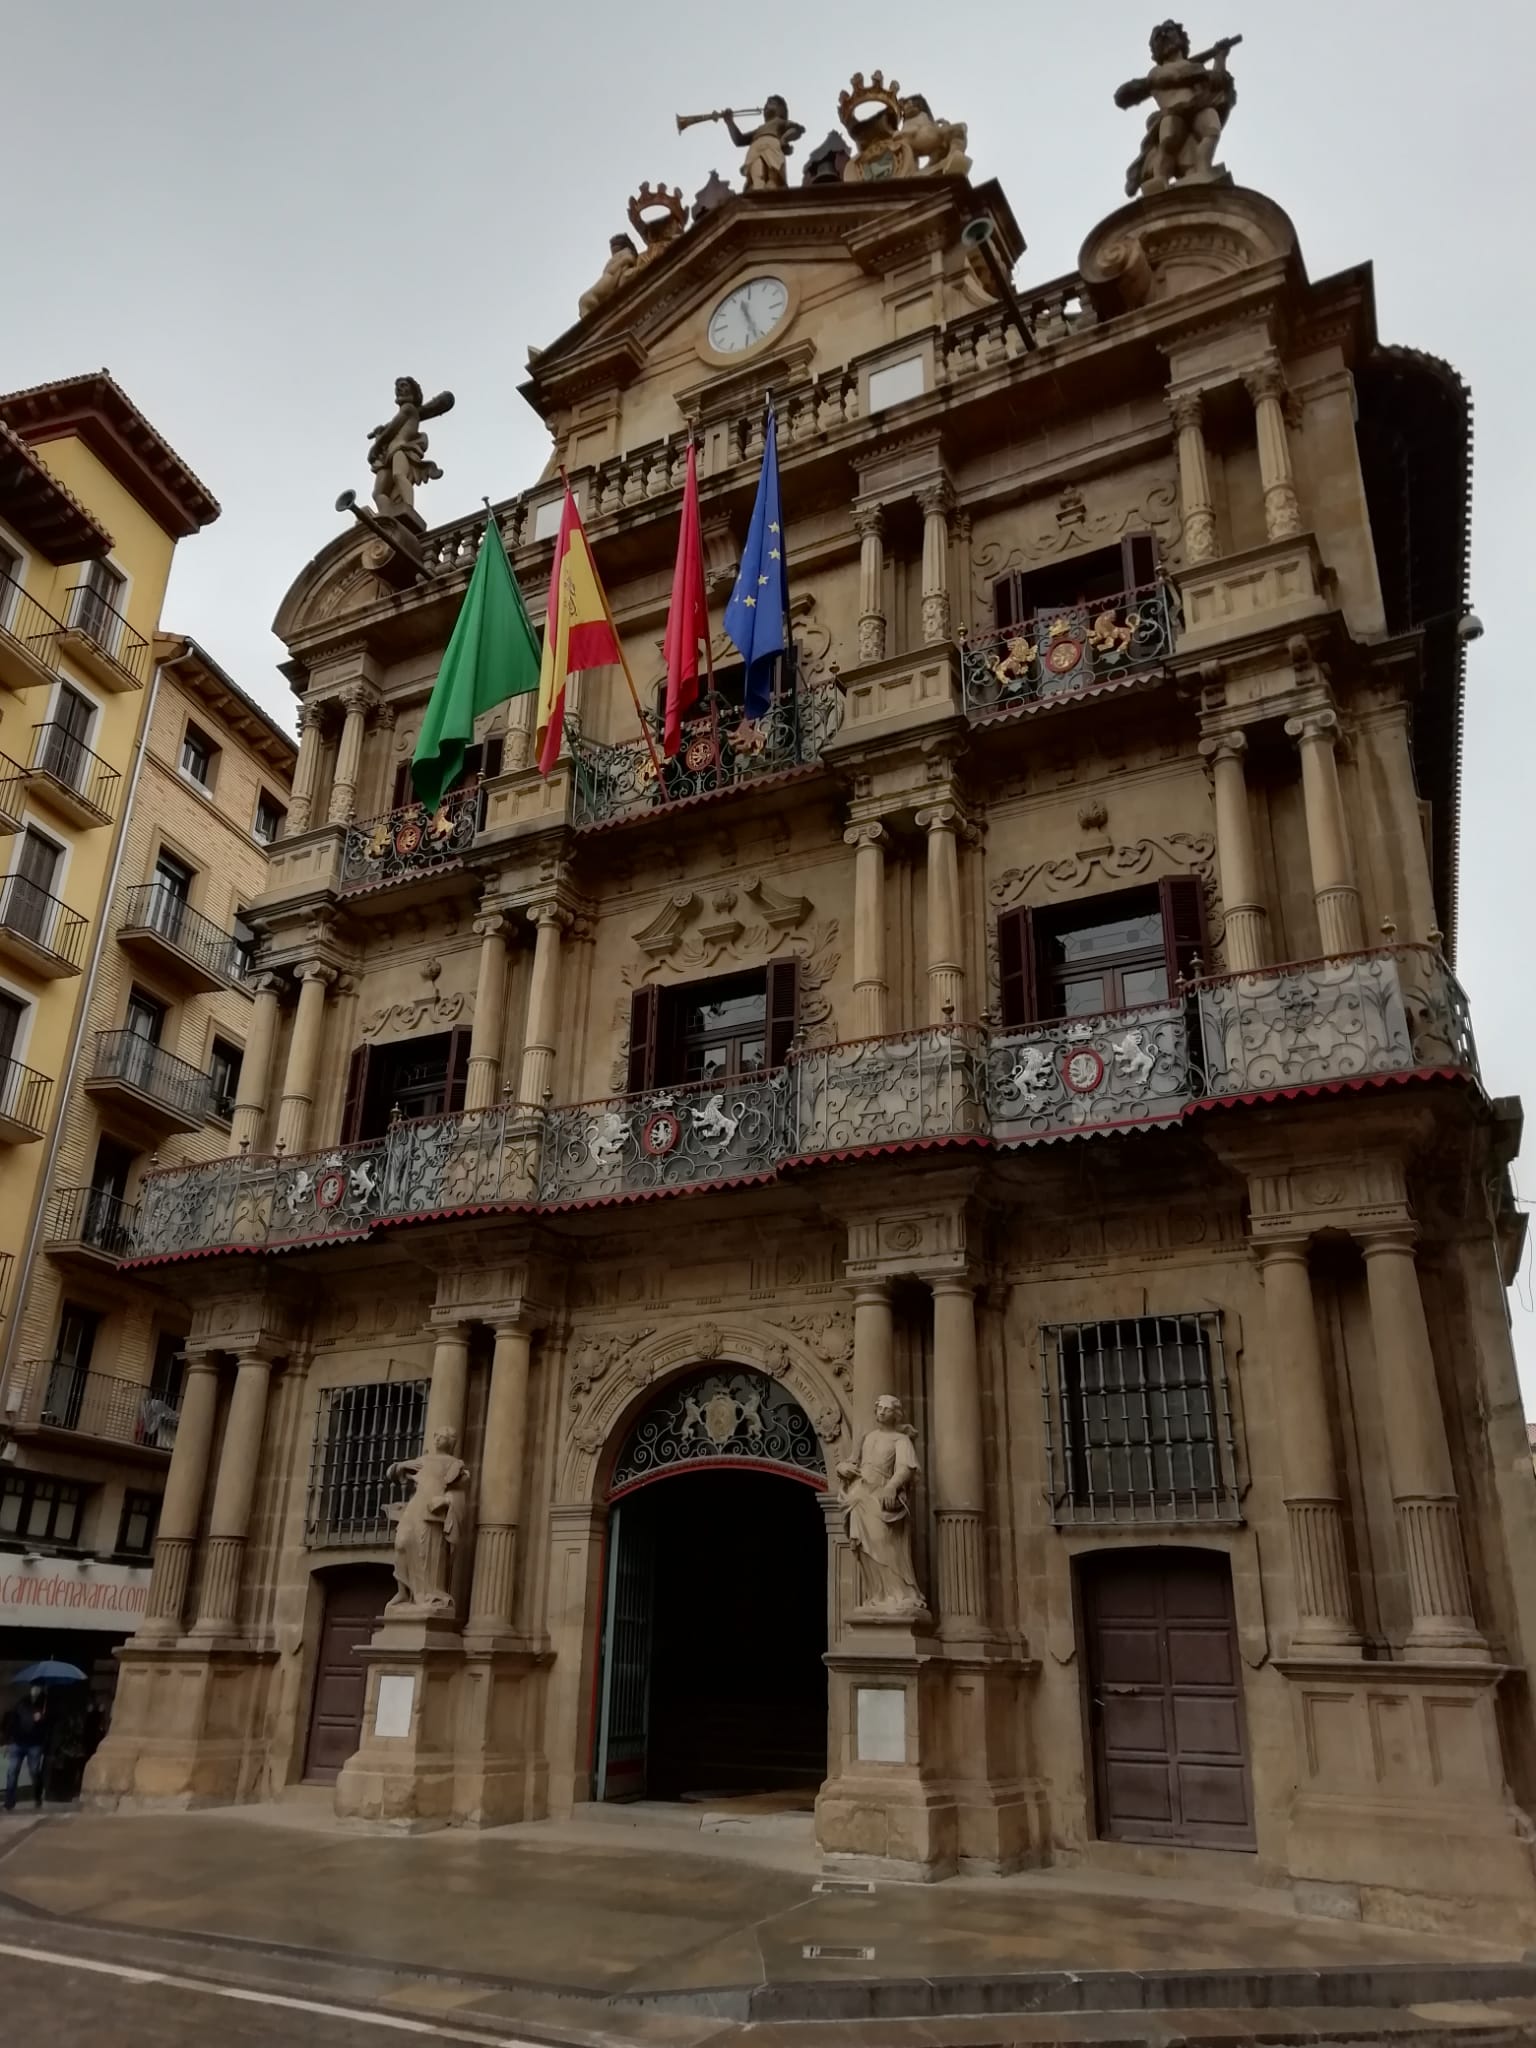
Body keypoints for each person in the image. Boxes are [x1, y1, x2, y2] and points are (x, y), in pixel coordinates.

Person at [3, 1684, 51, 1812]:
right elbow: (12, 1722)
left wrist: (42, 1719)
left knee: (34, 1771)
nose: (35, 1690)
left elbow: (48, 1726)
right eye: (33, 1687)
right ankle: (9, 1802)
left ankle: (37, 1796)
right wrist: (8, 1741)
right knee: (12, 1772)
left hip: (34, 1744)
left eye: (38, 1688)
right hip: (18, 1742)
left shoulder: (45, 1705)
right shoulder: (22, 1703)